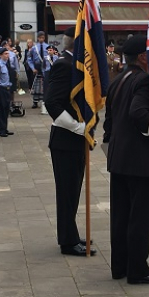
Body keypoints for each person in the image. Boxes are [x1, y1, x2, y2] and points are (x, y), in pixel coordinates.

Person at [102, 35, 149, 284]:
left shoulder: (118, 80)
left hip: (119, 159)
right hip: (139, 160)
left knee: (120, 215)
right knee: (140, 216)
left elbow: (109, 122)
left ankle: (120, 266)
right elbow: (138, 113)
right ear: (141, 57)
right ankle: (137, 270)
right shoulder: (144, 80)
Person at [44, 35, 96, 257]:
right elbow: (52, 101)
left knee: (74, 191)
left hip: (76, 139)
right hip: (66, 139)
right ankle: (67, 241)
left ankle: (71, 234)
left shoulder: (77, 65)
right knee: (67, 192)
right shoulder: (64, 65)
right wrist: (76, 127)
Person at [0, 47, 14, 137]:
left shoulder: (7, 64)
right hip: (1, 89)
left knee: (6, 109)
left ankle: (4, 128)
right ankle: (0, 130)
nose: (7, 55)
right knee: (1, 110)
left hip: (7, 89)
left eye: (8, 53)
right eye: (5, 54)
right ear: (0, 55)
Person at [27, 31, 51, 109]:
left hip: (45, 68)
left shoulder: (48, 47)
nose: (41, 39)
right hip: (36, 68)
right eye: (40, 37)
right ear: (37, 38)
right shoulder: (34, 48)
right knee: (36, 86)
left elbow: (50, 58)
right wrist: (33, 68)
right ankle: (35, 102)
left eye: (42, 37)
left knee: (45, 85)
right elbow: (29, 59)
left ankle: (45, 101)